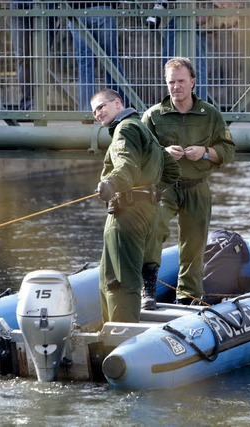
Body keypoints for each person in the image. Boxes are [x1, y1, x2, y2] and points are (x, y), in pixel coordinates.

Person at [141, 57, 236, 308]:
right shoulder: (153, 116)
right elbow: (139, 151)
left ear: (192, 82)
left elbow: (227, 150)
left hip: (197, 188)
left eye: (181, 81)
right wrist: (162, 152)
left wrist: (205, 151)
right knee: (153, 229)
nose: (176, 87)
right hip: (164, 188)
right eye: (171, 82)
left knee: (194, 245)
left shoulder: (210, 114)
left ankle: (188, 297)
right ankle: (147, 289)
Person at [91, 89, 180, 324]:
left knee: (118, 280)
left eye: (102, 107)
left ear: (118, 103)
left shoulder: (124, 129)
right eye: (94, 111)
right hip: (147, 210)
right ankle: (114, 330)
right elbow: (172, 170)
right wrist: (147, 189)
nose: (98, 113)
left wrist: (112, 183)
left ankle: (119, 337)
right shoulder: (143, 129)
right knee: (109, 277)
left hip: (126, 213)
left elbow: (126, 167)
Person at [68, 1, 131, 110]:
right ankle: (118, 107)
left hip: (75, 8)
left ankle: (87, 110)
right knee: (110, 60)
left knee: (85, 62)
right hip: (101, 7)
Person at [10, 0, 59, 110]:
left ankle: (39, 105)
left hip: (47, 5)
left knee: (41, 57)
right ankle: (28, 106)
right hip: (20, 5)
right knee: (24, 57)